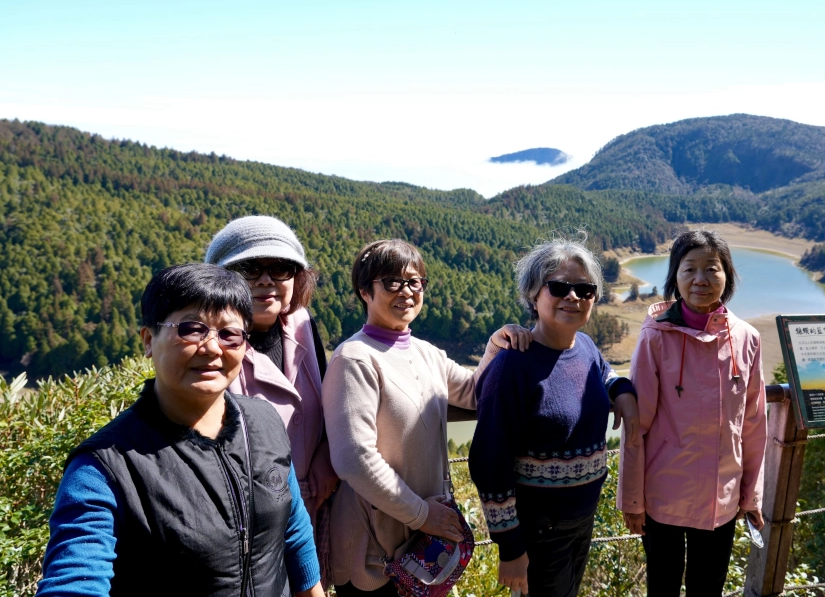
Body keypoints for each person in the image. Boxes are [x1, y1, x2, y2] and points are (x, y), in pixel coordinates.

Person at [36, 263, 324, 597]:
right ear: (148, 340)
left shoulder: (263, 422)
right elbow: (75, 580)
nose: (213, 348)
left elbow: (293, 530)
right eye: (192, 329)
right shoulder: (104, 469)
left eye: (229, 334)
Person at [322, 239, 532, 596]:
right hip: (374, 554)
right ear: (364, 291)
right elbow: (353, 458)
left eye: (414, 281)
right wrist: (423, 514)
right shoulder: (355, 358)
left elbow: (474, 393)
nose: (406, 291)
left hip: (423, 549)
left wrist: (494, 348)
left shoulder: (427, 353)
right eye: (391, 282)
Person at [468, 236, 639, 597]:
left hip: (582, 519)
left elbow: (603, 371)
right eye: (559, 286)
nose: (573, 297)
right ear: (534, 295)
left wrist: (621, 390)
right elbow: (489, 459)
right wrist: (510, 547)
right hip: (539, 531)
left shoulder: (586, 347)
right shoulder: (513, 365)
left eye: (584, 289)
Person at [617, 230, 766, 597]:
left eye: (711, 269)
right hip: (663, 497)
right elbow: (637, 426)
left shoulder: (746, 338)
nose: (700, 279)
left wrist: (752, 497)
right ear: (675, 276)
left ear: (727, 276)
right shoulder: (654, 337)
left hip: (722, 498)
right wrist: (632, 499)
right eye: (689, 269)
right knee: (662, 587)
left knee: (708, 589)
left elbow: (753, 425)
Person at [205, 216, 338, 521]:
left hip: (320, 507)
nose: (266, 280)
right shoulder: (212, 350)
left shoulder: (302, 324)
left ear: (296, 277)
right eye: (249, 269)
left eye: (280, 268)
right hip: (251, 520)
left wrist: (329, 451)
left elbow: (333, 399)